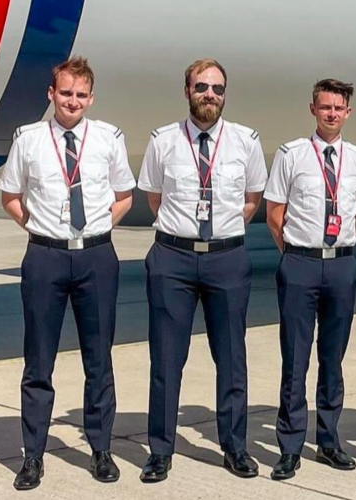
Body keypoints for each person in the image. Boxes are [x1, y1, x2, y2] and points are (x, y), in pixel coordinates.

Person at [0, 56, 135, 491]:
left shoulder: (109, 138)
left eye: (80, 95)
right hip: (46, 258)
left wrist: (95, 230)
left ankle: (100, 449)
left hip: (96, 257)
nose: (72, 101)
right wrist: (43, 230)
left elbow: (124, 195)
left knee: (99, 358)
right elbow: (11, 196)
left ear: (90, 98)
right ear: (51, 94)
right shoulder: (29, 139)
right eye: (65, 93)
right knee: (39, 360)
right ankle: (33, 456)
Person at [136, 59, 267, 483]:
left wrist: (219, 238)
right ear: (187, 90)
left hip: (226, 258)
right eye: (202, 86)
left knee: (231, 357)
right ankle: (160, 451)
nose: (210, 94)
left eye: (218, 88)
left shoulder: (245, 141)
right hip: (172, 257)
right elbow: (155, 198)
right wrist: (187, 237)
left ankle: (234, 447)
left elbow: (251, 199)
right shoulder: (163, 141)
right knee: (166, 359)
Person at [264, 79, 356, 480]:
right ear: (313, 109)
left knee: (332, 358)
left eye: (338, 108)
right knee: (295, 358)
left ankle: (328, 441)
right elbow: (276, 213)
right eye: (325, 107)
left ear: (347, 113)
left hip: (341, 264)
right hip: (301, 263)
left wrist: (340, 246)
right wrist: (295, 254)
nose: (331, 114)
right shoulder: (291, 155)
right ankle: (289, 446)